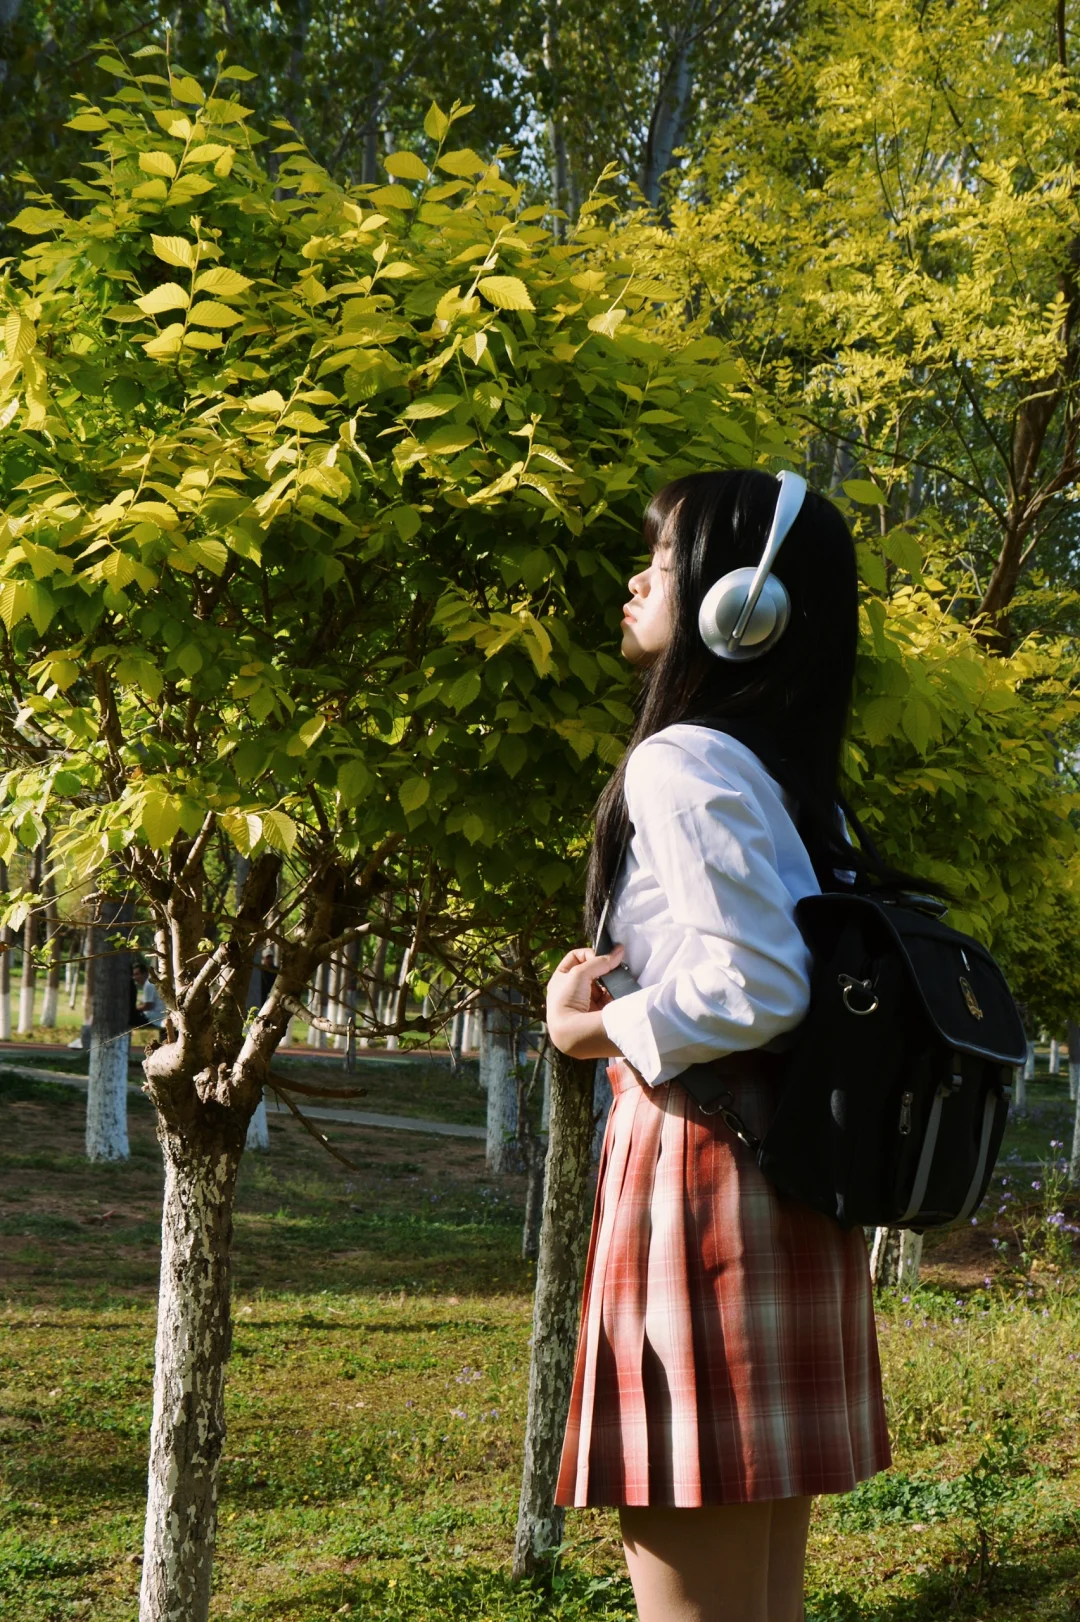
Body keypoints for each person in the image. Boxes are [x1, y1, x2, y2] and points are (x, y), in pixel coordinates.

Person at [545, 470, 891, 1622]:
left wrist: (591, 1026)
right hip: (776, 1173)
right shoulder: (792, 777)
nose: (638, 575)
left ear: (741, 601)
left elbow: (759, 983)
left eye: (666, 554)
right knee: (759, 1596)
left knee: (694, 1594)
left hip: (702, 1169)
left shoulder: (683, 758)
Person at [131, 962, 166, 1034]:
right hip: (159, 1015)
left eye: (137, 974)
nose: (134, 977)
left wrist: (134, 1009)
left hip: (154, 1017)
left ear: (145, 974)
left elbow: (148, 1006)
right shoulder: (149, 983)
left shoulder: (148, 985)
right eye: (133, 975)